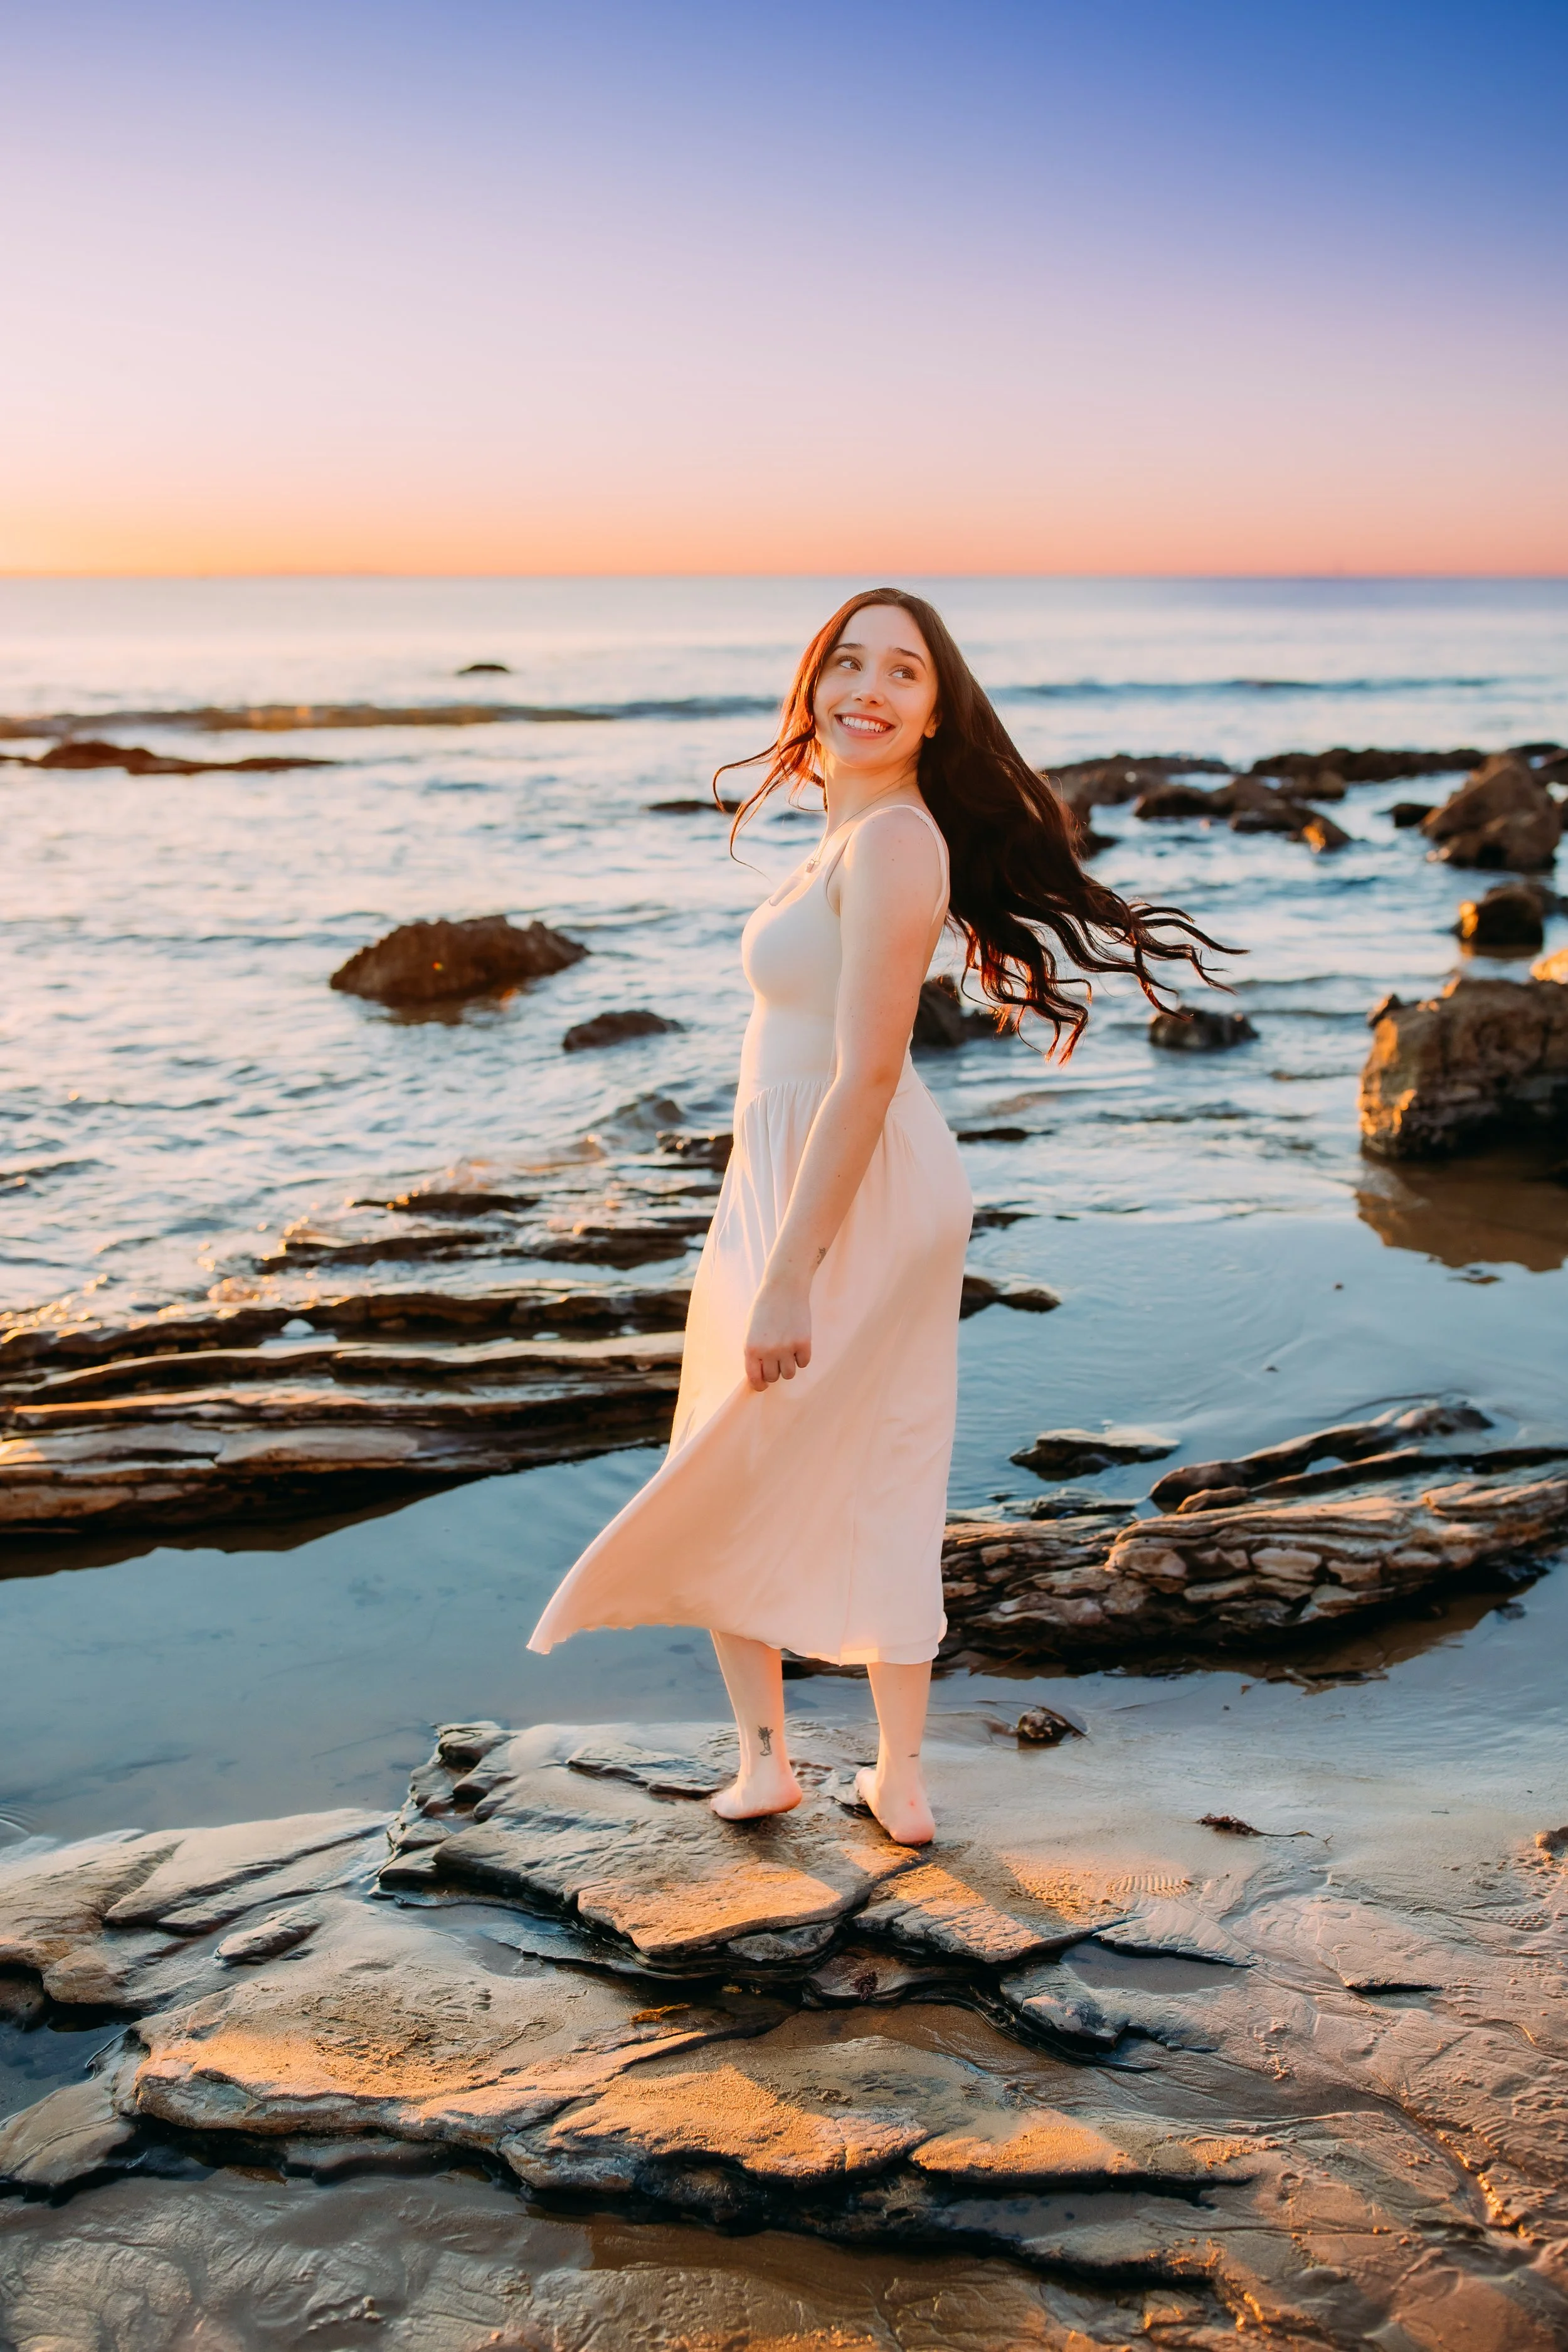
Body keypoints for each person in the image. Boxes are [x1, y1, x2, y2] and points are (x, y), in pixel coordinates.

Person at [529, 589, 1221, 1843]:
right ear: (810, 687)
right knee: (735, 1448)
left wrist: (792, 1268)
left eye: (900, 672)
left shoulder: (896, 843)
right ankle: (779, 1764)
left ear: (934, 709)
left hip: (848, 1182)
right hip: (784, 1175)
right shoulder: (838, 837)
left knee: (810, 1455)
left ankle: (885, 1775)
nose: (867, 687)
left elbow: (867, 1072)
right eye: (844, 663)